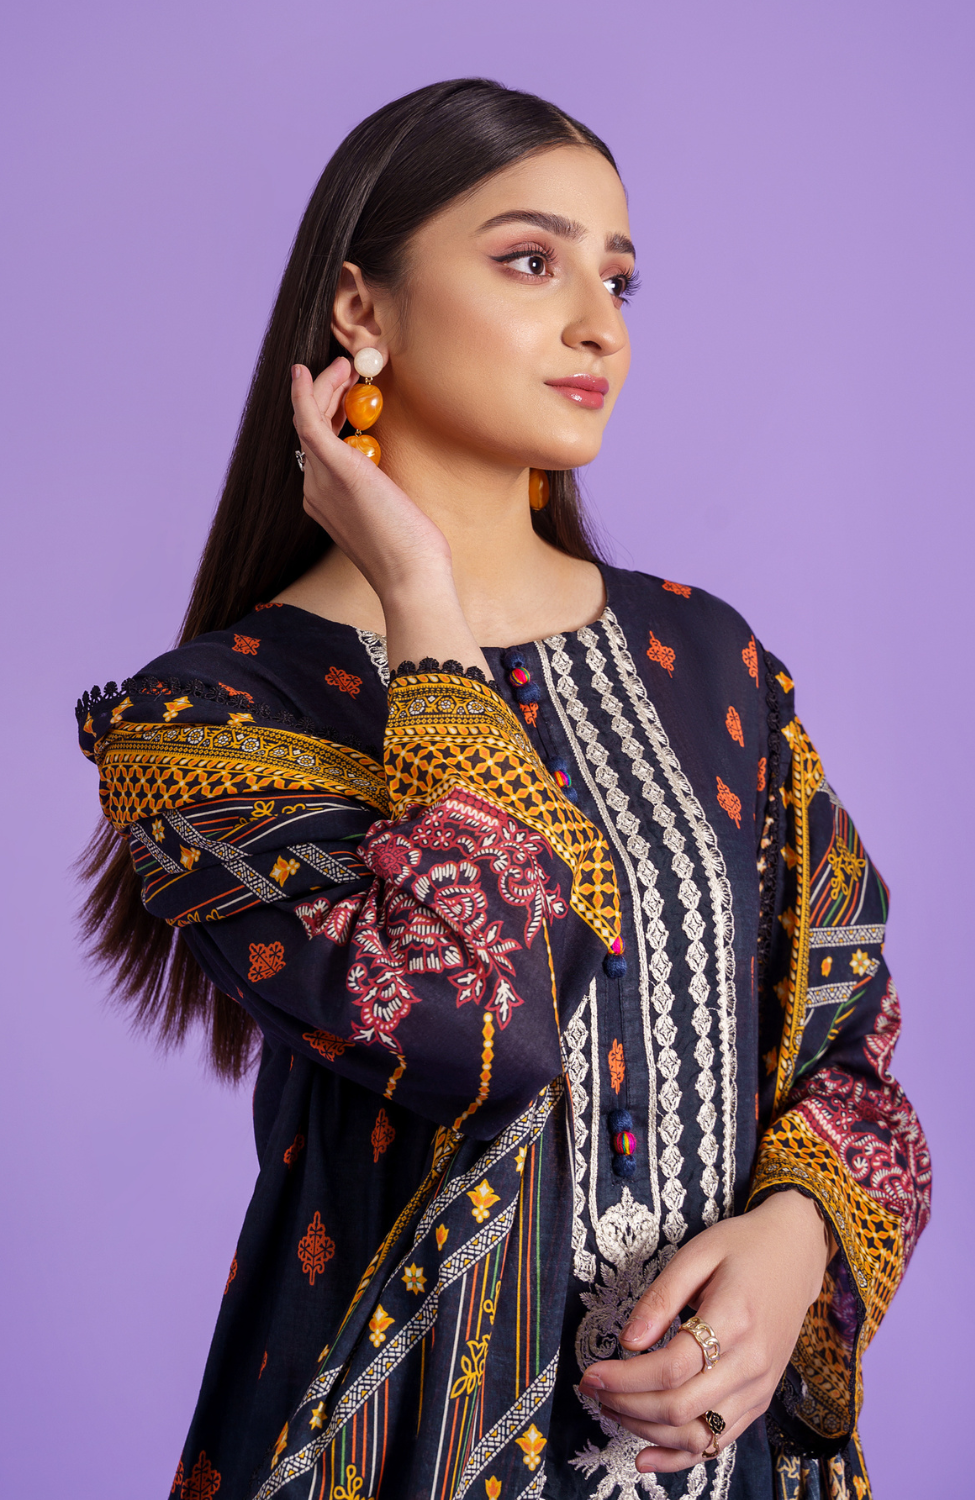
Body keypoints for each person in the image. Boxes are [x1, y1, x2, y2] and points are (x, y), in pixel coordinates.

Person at [76, 79, 929, 1500]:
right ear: (363, 310)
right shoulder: (208, 722)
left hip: (738, 1467)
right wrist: (421, 596)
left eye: (620, 277)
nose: (601, 321)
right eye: (531, 261)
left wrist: (797, 1239)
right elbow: (482, 1027)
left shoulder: (713, 664)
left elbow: (850, 1046)